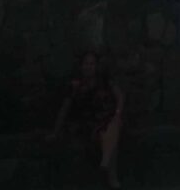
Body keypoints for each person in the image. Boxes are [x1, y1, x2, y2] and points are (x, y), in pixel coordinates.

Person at [48, 51, 123, 189]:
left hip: (109, 117)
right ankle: (111, 176)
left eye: (92, 64)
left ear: (96, 66)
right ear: (81, 66)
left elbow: (120, 96)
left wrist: (118, 112)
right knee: (109, 135)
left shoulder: (104, 80)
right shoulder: (75, 85)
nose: (89, 67)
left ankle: (105, 165)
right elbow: (65, 109)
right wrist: (55, 132)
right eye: (86, 63)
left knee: (113, 126)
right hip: (90, 123)